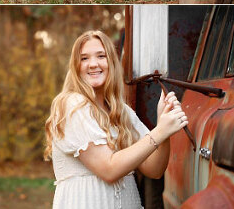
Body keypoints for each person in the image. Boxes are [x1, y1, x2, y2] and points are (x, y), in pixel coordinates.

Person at [45, 30, 188, 208]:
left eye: (101, 56)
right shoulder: (71, 105)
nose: (93, 64)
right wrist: (160, 132)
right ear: (75, 66)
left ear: (111, 62)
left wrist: (163, 125)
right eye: (84, 58)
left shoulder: (122, 111)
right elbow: (109, 169)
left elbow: (155, 169)